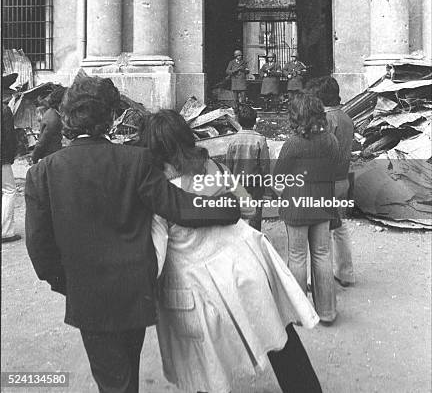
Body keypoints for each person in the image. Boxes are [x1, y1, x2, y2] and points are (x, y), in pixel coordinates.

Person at [25, 76, 241, 393]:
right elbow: (179, 207)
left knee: (113, 380)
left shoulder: (42, 172)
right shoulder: (136, 161)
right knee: (127, 371)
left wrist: (67, 283)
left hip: (88, 296)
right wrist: (227, 205)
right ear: (112, 117)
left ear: (68, 117)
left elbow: (39, 249)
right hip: (133, 292)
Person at [144, 109, 322, 393]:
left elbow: (157, 253)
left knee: (205, 366)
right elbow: (249, 206)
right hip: (245, 267)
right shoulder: (214, 168)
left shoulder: (159, 193)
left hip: (199, 287)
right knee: (280, 338)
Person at [273, 92, 339, 325]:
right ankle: (327, 312)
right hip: (322, 203)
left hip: (297, 206)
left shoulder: (292, 143)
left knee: (297, 257)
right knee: (322, 255)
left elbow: (278, 176)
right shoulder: (331, 140)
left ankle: (301, 313)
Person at [305, 76, 355, 287]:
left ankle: (314, 279)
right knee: (339, 227)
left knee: (317, 233)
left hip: (324, 182)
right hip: (342, 179)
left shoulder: (325, 121)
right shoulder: (346, 118)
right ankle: (345, 273)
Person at [226, 103, 270, 231]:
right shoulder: (260, 140)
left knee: (238, 213)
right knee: (255, 214)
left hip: (237, 183)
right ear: (255, 121)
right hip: (255, 184)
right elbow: (265, 165)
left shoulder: (233, 140)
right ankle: (255, 240)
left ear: (238, 121)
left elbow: (229, 164)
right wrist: (267, 189)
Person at [2, 73, 21, 243]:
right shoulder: (4, 110)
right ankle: (6, 231)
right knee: (9, 190)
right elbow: (8, 137)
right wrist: (10, 156)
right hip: (2, 158)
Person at [32, 85, 66, 163]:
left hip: (52, 155)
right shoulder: (53, 120)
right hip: (51, 157)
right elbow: (43, 141)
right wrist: (35, 157)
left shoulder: (51, 112)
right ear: (60, 103)